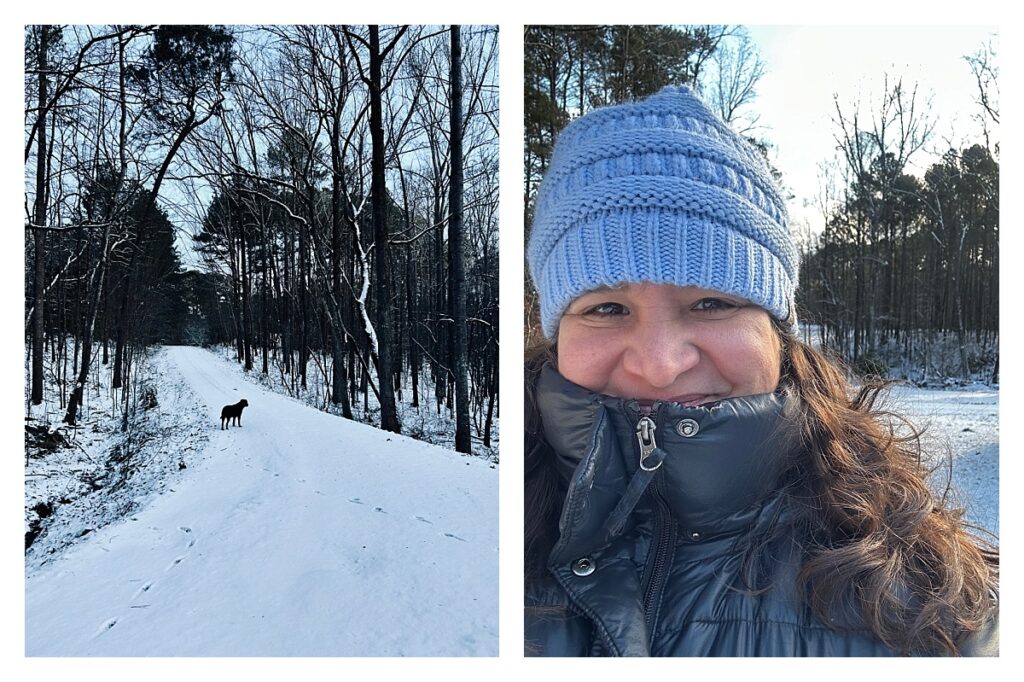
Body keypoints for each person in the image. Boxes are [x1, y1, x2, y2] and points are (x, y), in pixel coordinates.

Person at [524, 85, 998, 657]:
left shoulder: (932, 613)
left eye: (712, 303)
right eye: (606, 309)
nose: (659, 364)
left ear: (777, 332)